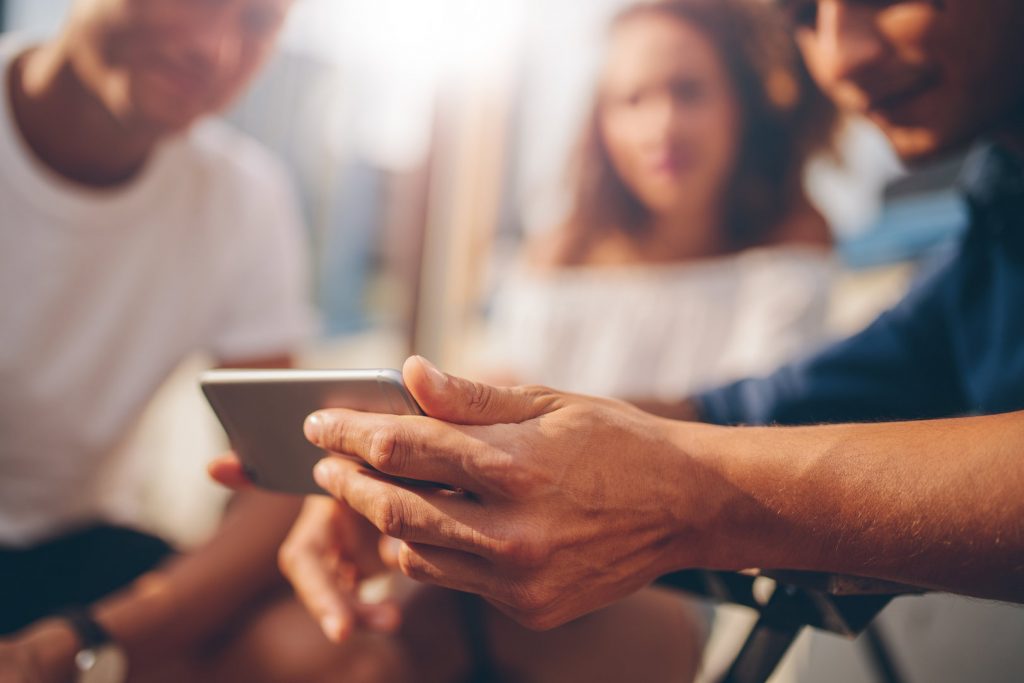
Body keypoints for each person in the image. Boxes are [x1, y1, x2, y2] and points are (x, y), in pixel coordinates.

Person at [213, 0, 1024, 649]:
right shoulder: (992, 234)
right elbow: (755, 406)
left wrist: (676, 488)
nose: (840, 57)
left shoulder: (818, 246)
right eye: (803, 14)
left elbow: (730, 435)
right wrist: (456, 446)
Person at [0, 1, 408, 681]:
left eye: (257, 21)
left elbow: (276, 477)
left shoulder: (243, 195)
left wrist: (80, 642)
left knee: (348, 660)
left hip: (79, 557)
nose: (216, 51)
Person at [482, 0, 838, 400]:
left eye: (688, 92)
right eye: (632, 99)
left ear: (741, 104)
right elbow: (505, 378)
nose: (662, 128)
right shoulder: (556, 255)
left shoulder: (791, 243)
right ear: (600, 125)